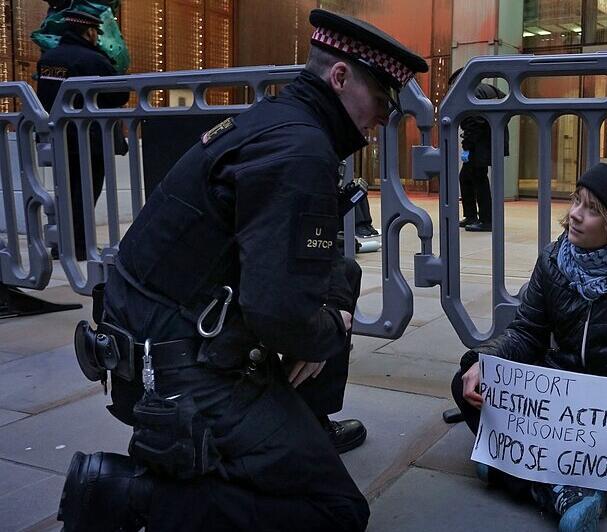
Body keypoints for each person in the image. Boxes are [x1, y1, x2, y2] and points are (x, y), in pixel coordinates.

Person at [57, 10, 427, 531]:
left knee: (339, 278)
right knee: (336, 511)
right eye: (382, 101)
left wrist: (323, 316)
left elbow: (295, 270)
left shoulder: (274, 121)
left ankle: (298, 429)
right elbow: (279, 314)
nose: (385, 119)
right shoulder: (301, 151)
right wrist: (330, 328)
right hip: (178, 371)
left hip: (148, 340)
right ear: (339, 77)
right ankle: (129, 495)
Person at [451, 162, 607, 531]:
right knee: (466, 384)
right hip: (555, 401)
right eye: (576, 201)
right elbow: (526, 332)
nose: (574, 215)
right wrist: (485, 361)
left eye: (592, 209)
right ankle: (566, 487)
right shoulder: (553, 260)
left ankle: (521, 470)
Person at [35, 9, 128, 261]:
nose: (97, 37)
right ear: (88, 31)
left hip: (58, 137)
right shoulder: (94, 60)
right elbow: (120, 95)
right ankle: (79, 247)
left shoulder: (49, 59)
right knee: (86, 194)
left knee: (65, 192)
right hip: (90, 139)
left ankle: (62, 244)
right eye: (96, 32)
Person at [451, 67, 509, 232]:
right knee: (467, 177)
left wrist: (467, 147)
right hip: (492, 138)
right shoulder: (486, 88)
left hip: (481, 143)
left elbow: (474, 122)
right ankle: (472, 216)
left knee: (478, 178)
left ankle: (486, 220)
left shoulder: (470, 91)